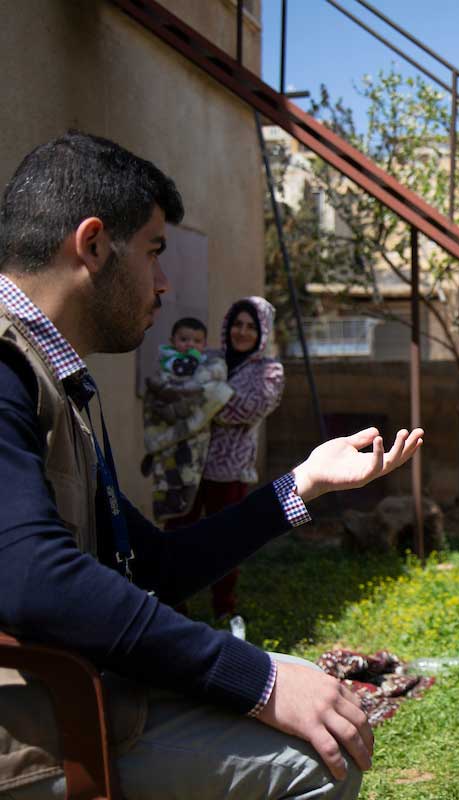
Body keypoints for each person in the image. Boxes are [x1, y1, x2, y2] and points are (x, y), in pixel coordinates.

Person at [0, 131, 423, 799]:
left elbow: (157, 567)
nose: (165, 284)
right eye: (155, 252)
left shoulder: (54, 378)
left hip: (71, 691)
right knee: (317, 759)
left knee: (327, 707)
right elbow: (31, 579)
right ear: (92, 245)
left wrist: (303, 483)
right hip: (29, 728)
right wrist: (258, 682)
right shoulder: (6, 368)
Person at [167, 295, 284, 623]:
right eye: (237, 324)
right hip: (188, 463)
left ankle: (223, 607)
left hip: (229, 469)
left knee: (225, 540)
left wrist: (204, 397)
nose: (242, 332)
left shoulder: (270, 371)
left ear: (262, 332)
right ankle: (173, 604)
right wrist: (204, 398)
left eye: (251, 326)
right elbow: (177, 393)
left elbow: (245, 410)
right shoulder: (210, 357)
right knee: (177, 533)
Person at [142, 316, 232, 525]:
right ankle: (165, 505)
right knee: (164, 474)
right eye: (184, 339)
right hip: (164, 426)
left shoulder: (209, 367)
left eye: (196, 341)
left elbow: (211, 391)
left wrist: (183, 396)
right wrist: (165, 394)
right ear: (172, 340)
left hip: (192, 435)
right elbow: (154, 389)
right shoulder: (165, 363)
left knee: (187, 472)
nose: (190, 344)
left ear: (204, 345)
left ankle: (180, 501)